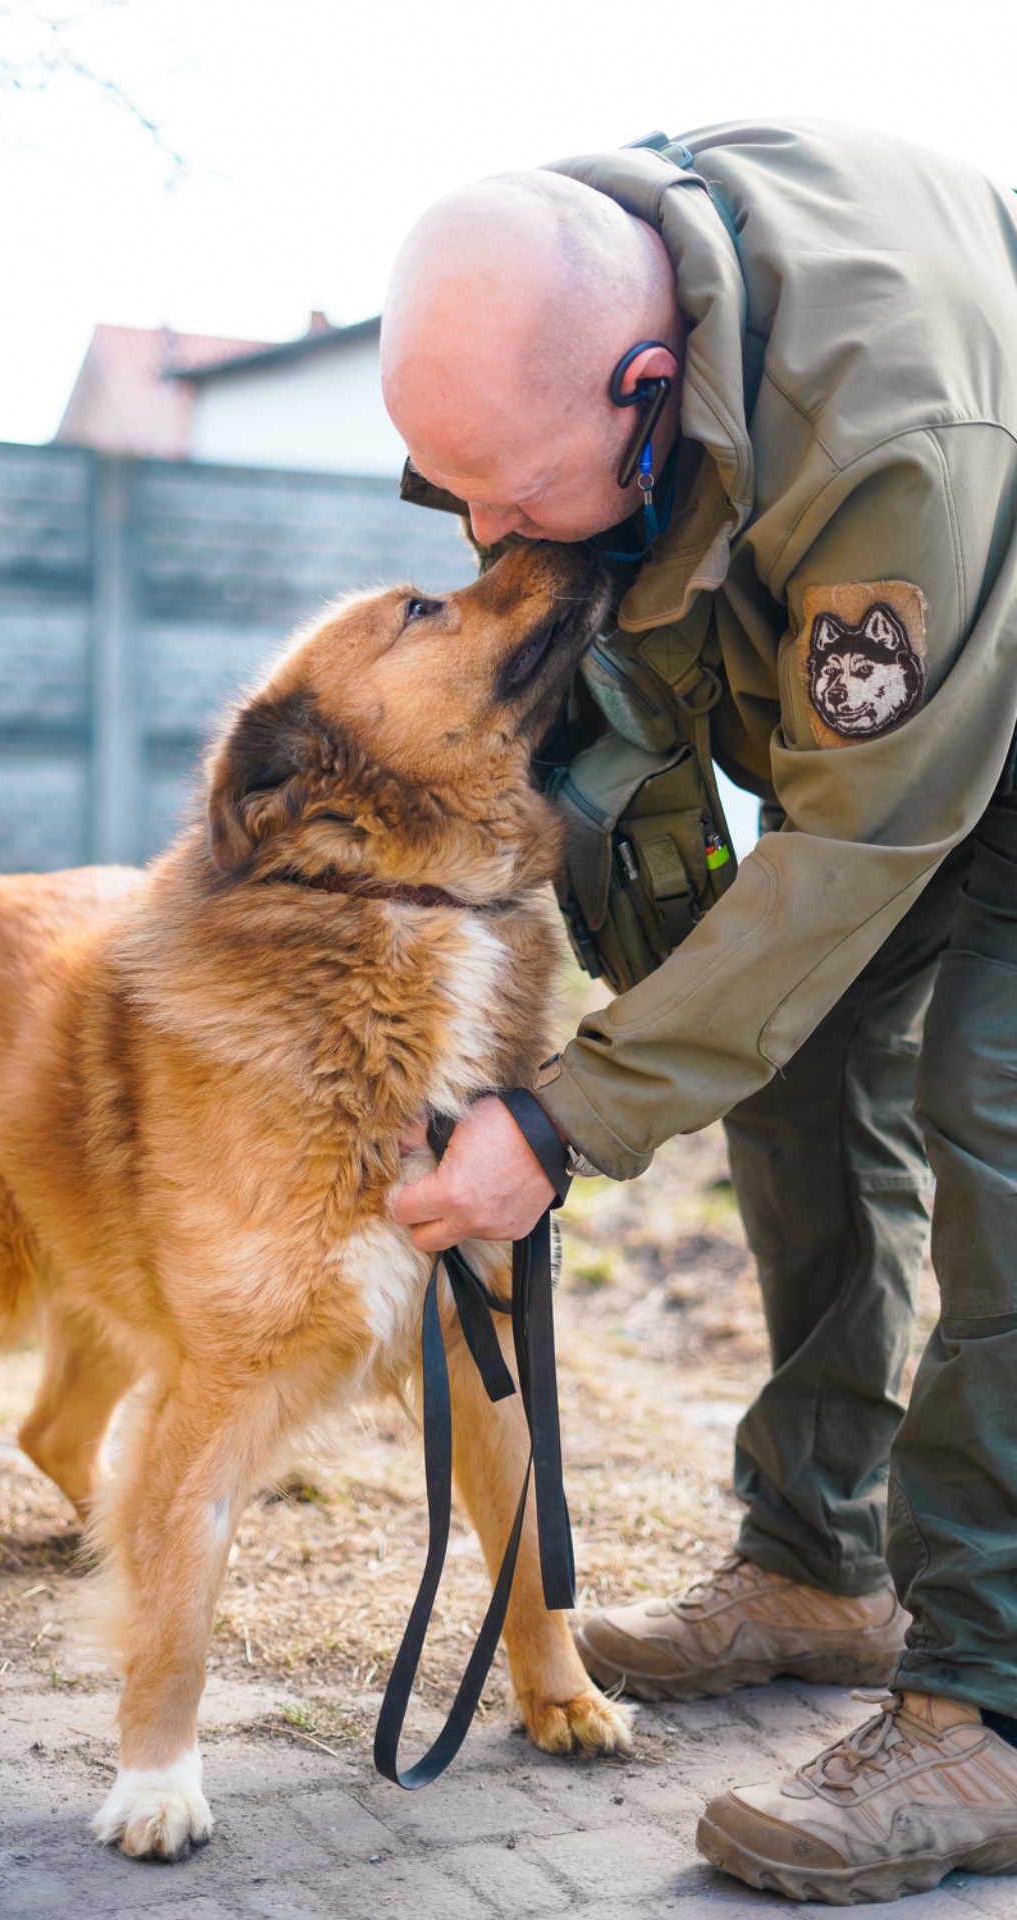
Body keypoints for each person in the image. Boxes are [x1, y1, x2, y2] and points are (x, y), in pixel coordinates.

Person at [380, 121, 1017, 1906]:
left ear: (651, 391)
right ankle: (818, 1560)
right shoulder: (567, 289)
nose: (488, 534)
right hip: (875, 725)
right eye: (451, 489)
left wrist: (571, 1122)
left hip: (991, 652)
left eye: (511, 490)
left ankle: (989, 1704)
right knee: (791, 1073)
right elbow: (626, 691)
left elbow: (853, 848)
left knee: (997, 1113)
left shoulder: (897, 435)